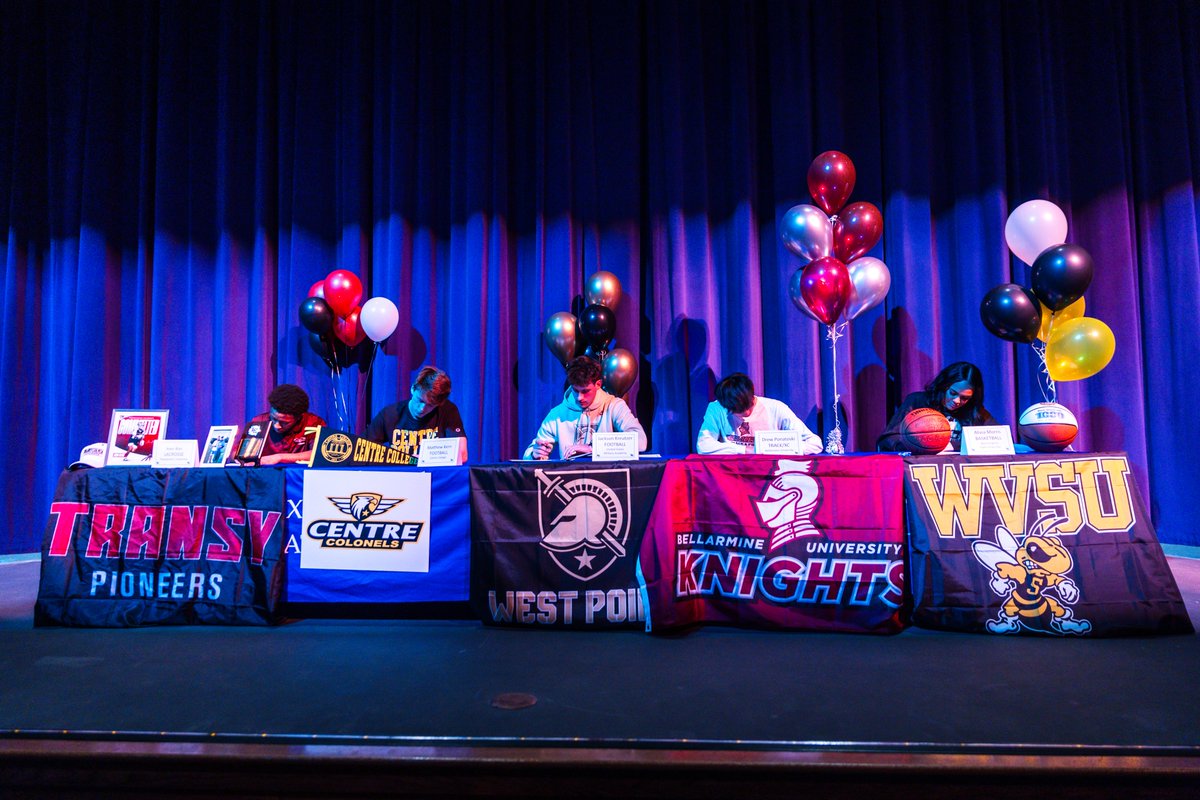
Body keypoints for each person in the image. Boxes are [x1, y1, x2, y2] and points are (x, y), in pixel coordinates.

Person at [524, 356, 647, 460]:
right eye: (575, 390)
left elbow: (640, 442)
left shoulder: (614, 406)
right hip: (571, 483)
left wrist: (593, 448)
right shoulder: (557, 414)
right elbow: (529, 454)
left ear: (598, 384)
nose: (579, 398)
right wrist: (535, 455)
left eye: (585, 391)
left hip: (607, 482)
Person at [876, 361, 998, 453]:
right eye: (953, 393)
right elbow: (888, 439)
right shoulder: (917, 402)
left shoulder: (975, 411)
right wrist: (919, 444)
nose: (957, 401)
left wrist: (954, 445)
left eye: (964, 398)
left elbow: (999, 440)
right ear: (944, 385)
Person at [696, 373, 822, 455]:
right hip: (733, 475)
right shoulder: (717, 408)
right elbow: (703, 445)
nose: (744, 415)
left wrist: (781, 450)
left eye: (747, 410)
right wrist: (746, 450)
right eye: (737, 412)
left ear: (752, 398)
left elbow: (815, 444)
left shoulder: (776, 408)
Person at [364, 366, 466, 464]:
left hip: (433, 478)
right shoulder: (390, 414)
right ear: (413, 389)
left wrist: (418, 460)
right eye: (420, 400)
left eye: (430, 406)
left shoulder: (448, 411)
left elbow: (462, 454)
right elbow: (363, 450)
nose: (422, 409)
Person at [237, 384, 326, 465]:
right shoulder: (259, 421)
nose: (277, 426)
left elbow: (320, 454)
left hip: (299, 476)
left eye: (284, 423)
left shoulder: (313, 423)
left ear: (299, 417)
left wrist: (280, 457)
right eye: (273, 419)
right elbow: (239, 454)